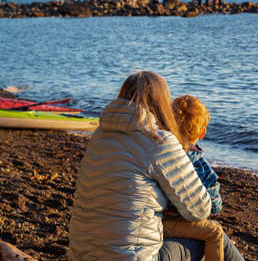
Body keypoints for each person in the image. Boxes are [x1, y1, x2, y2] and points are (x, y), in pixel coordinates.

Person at [68, 71, 244, 261]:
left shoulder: (99, 137)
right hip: (130, 257)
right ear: (161, 103)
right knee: (212, 237)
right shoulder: (159, 141)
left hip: (80, 254)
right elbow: (200, 210)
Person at [163, 95, 224, 261]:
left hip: (155, 216)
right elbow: (215, 206)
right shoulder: (200, 166)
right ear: (202, 132)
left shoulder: (161, 152)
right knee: (215, 233)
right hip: (171, 223)